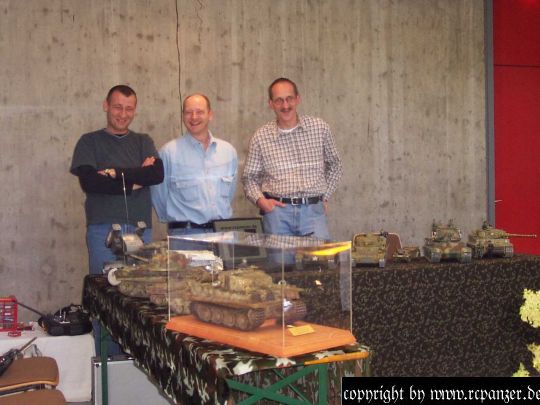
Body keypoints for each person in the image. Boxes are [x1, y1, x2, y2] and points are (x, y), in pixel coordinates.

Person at [70, 84, 164, 274]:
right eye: (117, 107)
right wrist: (137, 178)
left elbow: (156, 174)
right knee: (103, 287)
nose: (123, 114)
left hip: (141, 230)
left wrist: (114, 173)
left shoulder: (143, 141)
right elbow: (91, 183)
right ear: (106, 106)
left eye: (129, 109)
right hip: (103, 231)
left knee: (139, 286)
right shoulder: (89, 142)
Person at [242, 77, 343, 240]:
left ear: (297, 99)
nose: (285, 105)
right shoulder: (260, 137)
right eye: (279, 100)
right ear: (271, 104)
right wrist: (261, 201)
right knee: (277, 258)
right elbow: (249, 178)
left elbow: (335, 165)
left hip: (313, 213)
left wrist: (324, 195)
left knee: (318, 257)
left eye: (289, 98)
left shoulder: (320, 128)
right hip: (277, 216)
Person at [151, 93, 238, 245]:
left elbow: (229, 195)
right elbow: (159, 197)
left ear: (210, 115)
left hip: (223, 236)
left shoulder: (228, 152)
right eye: (188, 112)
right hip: (185, 237)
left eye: (199, 112)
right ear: (182, 116)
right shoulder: (168, 153)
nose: (194, 117)